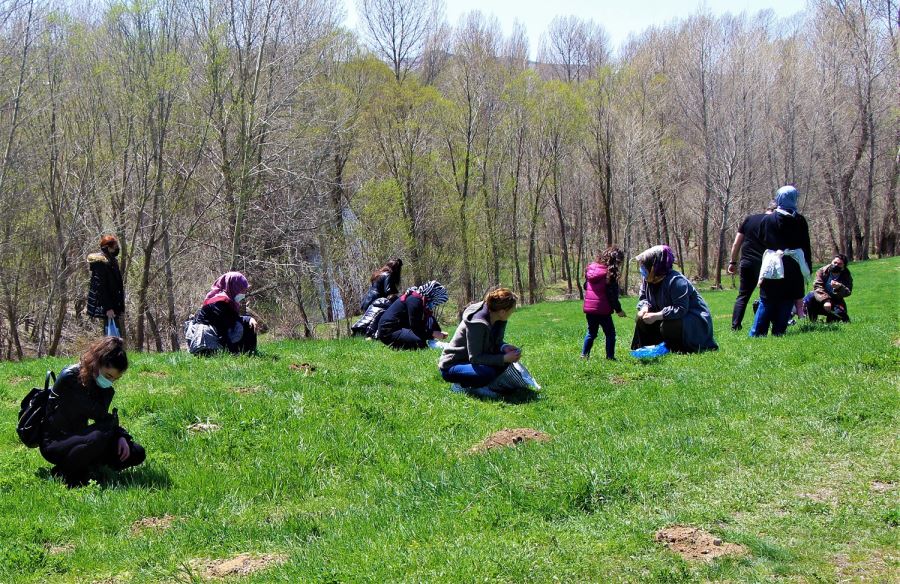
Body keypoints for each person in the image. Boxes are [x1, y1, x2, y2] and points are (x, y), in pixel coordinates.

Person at [38, 337, 145, 487]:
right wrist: (116, 430)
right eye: (108, 376)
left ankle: (88, 466)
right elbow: (100, 416)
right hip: (56, 442)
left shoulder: (99, 383)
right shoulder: (71, 377)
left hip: (82, 437)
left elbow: (104, 421)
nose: (110, 382)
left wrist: (121, 436)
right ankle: (64, 472)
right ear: (97, 363)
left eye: (115, 379)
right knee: (100, 435)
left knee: (136, 452)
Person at [750, 186, 812, 337]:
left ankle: (757, 333)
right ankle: (779, 331)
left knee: (767, 299)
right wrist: (807, 266)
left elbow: (761, 240)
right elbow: (805, 245)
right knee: (787, 298)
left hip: (773, 264)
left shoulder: (769, 219)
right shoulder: (799, 220)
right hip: (794, 264)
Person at [632, 245, 718, 353]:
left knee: (668, 325)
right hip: (670, 316)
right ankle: (648, 347)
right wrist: (644, 308)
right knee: (641, 318)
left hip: (692, 319)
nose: (642, 269)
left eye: (645, 266)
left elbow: (681, 308)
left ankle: (676, 349)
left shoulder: (677, 281)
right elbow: (644, 297)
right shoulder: (648, 280)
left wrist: (657, 316)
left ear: (655, 266)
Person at [439, 288, 521, 392]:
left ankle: (484, 384)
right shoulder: (477, 323)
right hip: (453, 365)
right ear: (502, 311)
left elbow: (496, 342)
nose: (513, 312)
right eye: (512, 310)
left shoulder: (499, 318)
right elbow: (475, 358)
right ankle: (462, 386)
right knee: (487, 373)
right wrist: (504, 358)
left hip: (473, 362)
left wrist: (504, 347)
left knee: (504, 364)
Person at [727, 202, 776, 331]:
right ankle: (764, 324)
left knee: (743, 295)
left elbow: (736, 243)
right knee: (767, 296)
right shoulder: (774, 222)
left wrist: (732, 262)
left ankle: (735, 326)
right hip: (765, 264)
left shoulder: (749, 219)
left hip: (747, 263)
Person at [192, 272, 259, 354]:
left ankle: (250, 352)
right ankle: (241, 352)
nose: (244, 294)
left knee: (249, 324)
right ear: (234, 287)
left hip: (220, 333)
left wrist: (249, 319)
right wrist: (233, 353)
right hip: (207, 341)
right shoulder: (219, 302)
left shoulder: (228, 300)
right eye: (242, 290)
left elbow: (232, 319)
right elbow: (222, 331)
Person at [581, 247, 626, 360]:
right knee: (610, 334)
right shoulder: (610, 274)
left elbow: (586, 286)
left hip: (590, 309)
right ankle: (610, 357)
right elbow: (613, 296)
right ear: (617, 261)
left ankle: (584, 355)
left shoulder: (591, 269)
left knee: (591, 333)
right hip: (603, 310)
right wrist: (619, 310)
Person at [377, 280, 448, 350]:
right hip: (388, 331)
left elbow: (426, 322)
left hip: (398, 328)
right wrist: (432, 333)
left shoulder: (421, 300)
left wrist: (437, 332)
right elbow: (415, 326)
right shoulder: (414, 300)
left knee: (423, 338)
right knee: (420, 342)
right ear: (433, 295)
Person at [87, 235, 125, 336]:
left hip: (114, 303)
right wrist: (108, 308)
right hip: (108, 306)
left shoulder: (112, 261)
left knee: (115, 335)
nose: (117, 249)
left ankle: (115, 351)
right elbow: (101, 288)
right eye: (115, 246)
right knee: (111, 336)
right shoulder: (100, 264)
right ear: (107, 248)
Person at [803, 254, 853, 323]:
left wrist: (839, 287)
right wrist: (826, 300)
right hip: (819, 299)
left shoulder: (846, 275)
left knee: (840, 317)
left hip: (836, 300)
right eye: (835, 262)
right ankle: (813, 321)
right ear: (831, 262)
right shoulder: (822, 271)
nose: (836, 265)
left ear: (843, 267)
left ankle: (830, 320)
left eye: (839, 264)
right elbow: (817, 286)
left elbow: (848, 291)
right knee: (811, 297)